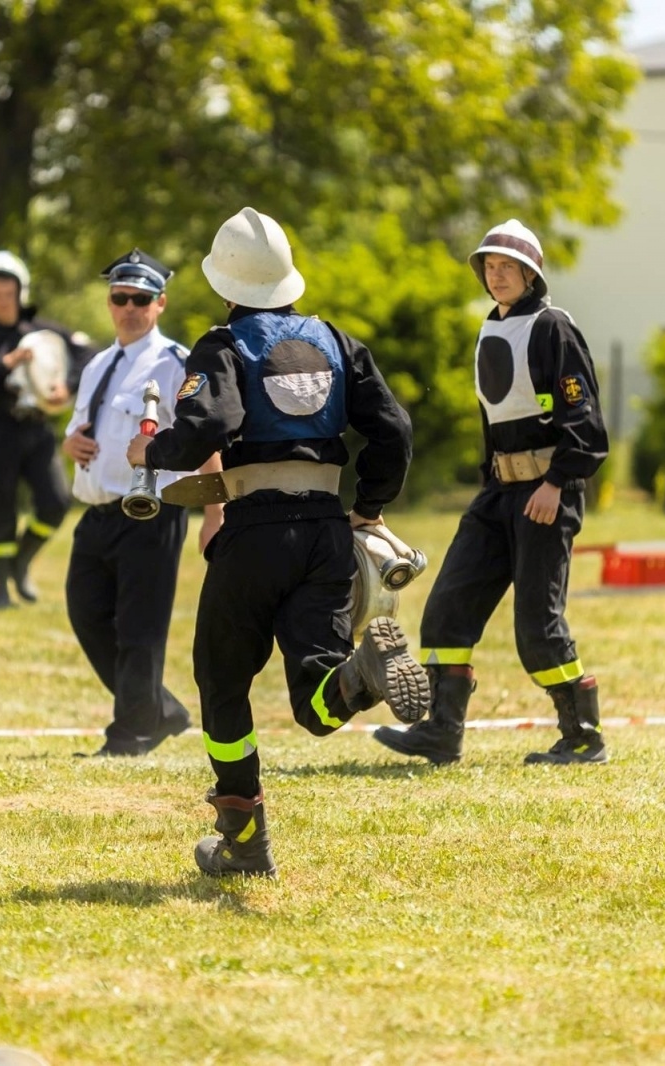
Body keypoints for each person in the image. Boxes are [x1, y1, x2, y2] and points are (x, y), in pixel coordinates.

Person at [128, 207, 429, 877]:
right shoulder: (337, 341)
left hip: (255, 533)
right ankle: (358, 675)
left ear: (225, 283)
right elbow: (395, 431)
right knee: (316, 697)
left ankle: (243, 837)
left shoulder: (223, 344)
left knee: (222, 680)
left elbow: (211, 423)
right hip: (325, 531)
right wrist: (368, 508)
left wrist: (155, 449)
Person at [373, 219, 610, 768]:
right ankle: (441, 732)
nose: (497, 275)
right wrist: (493, 484)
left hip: (546, 496)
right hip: (498, 495)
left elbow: (588, 426)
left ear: (531, 274)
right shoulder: (489, 328)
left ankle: (583, 737)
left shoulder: (554, 328)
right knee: (447, 609)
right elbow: (494, 422)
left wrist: (556, 483)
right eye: (490, 266)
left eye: (508, 267)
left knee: (537, 628)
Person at [61, 249, 223, 757]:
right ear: (109, 302)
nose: (129, 307)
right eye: (120, 297)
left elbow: (206, 438)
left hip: (151, 514)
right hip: (97, 514)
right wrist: (70, 442)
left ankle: (131, 734)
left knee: (140, 629)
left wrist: (215, 513)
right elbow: (81, 427)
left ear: (160, 303)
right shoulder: (97, 364)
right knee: (86, 614)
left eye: (141, 299)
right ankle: (161, 710)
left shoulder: (176, 363)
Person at [0, 250, 92, 609]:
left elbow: (87, 353)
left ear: (21, 292)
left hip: (37, 429)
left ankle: (21, 560)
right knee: (0, 510)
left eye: (8, 293)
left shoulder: (41, 330)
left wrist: (68, 386)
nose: (2, 300)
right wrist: (5, 362)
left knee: (56, 502)